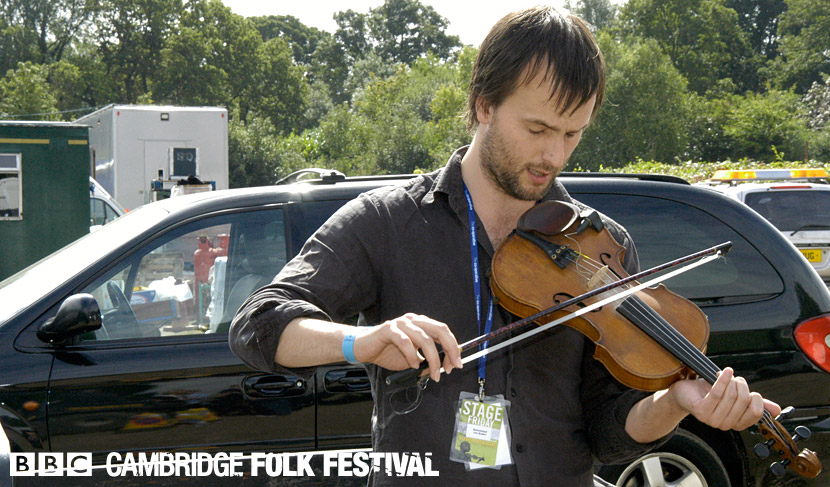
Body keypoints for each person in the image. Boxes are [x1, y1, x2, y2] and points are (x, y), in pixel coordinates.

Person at [229, 6, 780, 486]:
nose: (553, 155)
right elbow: (260, 324)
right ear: (484, 105)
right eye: (538, 128)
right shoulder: (388, 221)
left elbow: (610, 432)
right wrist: (363, 341)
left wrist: (672, 404)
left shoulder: (604, 247)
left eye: (572, 134)